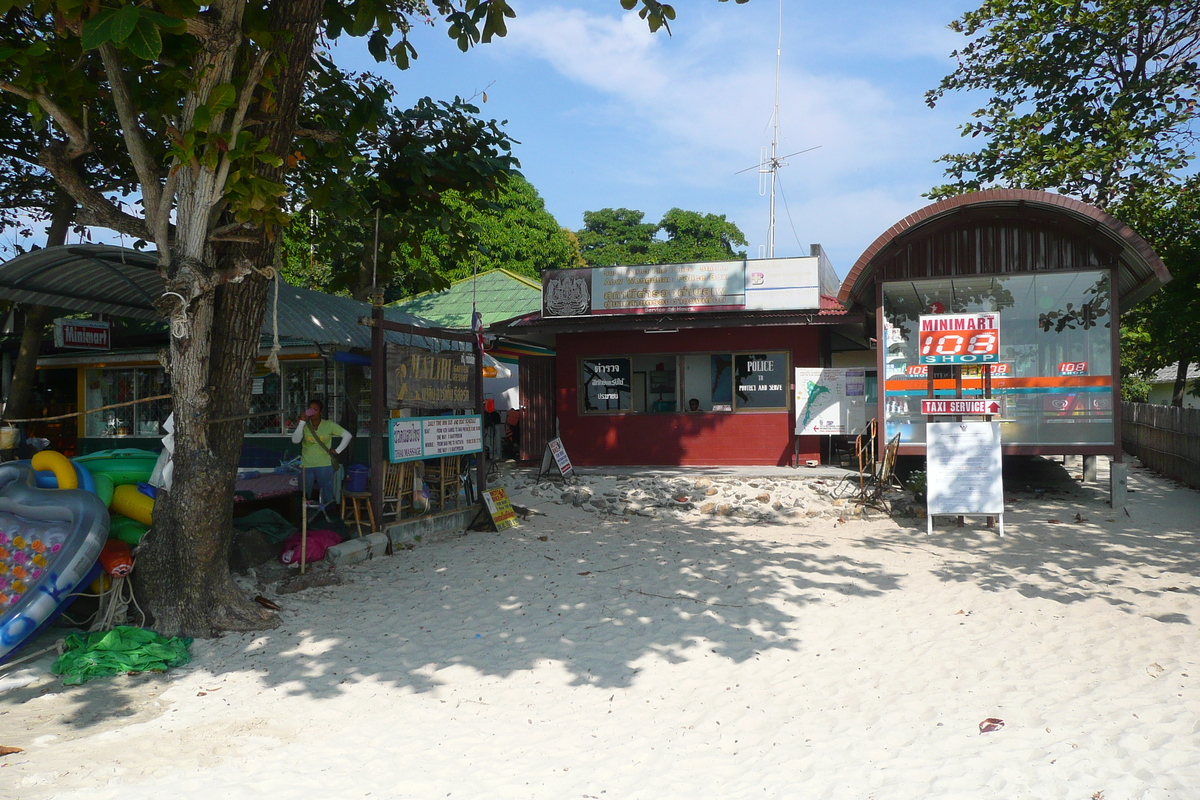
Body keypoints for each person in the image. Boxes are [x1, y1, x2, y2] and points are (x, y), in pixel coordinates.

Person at [291, 399, 352, 506]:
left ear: (321, 412)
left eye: (316, 409)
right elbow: (295, 440)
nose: (313, 412)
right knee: (304, 495)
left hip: (325, 465)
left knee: (327, 495)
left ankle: (327, 516)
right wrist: (301, 422)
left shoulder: (328, 425)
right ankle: (305, 518)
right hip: (306, 465)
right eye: (311, 409)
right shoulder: (305, 425)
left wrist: (337, 450)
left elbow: (347, 436)